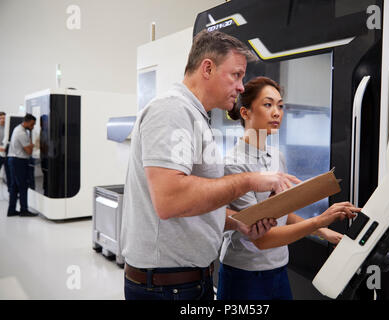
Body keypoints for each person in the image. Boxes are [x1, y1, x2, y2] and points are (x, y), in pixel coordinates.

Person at [120, 30, 301, 300]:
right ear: (207, 68)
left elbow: (192, 206)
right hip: (167, 287)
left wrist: (237, 222)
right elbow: (170, 199)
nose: (241, 86)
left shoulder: (195, 117)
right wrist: (250, 180)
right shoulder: (172, 111)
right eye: (236, 75)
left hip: (187, 281)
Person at [217, 76, 360, 300]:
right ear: (245, 113)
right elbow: (262, 238)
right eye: (268, 104)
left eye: (280, 106)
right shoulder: (234, 164)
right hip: (244, 276)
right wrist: (319, 220)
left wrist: (322, 232)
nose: (277, 112)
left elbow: (282, 213)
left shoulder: (277, 157)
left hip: (279, 270)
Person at [7, 113, 38, 217]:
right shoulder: (22, 133)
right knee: (23, 186)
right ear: (27, 122)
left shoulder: (18, 129)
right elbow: (29, 151)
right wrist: (33, 145)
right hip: (18, 161)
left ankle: (11, 210)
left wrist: (30, 145)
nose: (33, 127)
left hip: (14, 160)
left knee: (14, 186)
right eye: (32, 124)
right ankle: (24, 210)